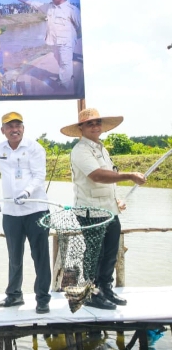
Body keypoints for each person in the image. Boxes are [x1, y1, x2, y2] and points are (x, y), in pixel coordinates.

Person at [61, 108, 146, 310]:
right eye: (89, 123)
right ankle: (91, 293)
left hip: (109, 210)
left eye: (97, 122)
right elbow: (97, 175)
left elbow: (109, 178)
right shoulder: (80, 150)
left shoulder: (102, 149)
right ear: (81, 128)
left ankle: (105, 288)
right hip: (90, 211)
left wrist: (116, 200)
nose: (95, 126)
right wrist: (130, 175)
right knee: (94, 254)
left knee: (110, 253)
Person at [0, 112, 51, 314]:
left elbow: (39, 175)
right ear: (3, 130)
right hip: (11, 212)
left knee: (40, 257)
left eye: (18, 126)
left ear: (23, 128)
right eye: (10, 126)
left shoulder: (34, 148)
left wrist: (26, 192)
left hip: (36, 210)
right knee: (14, 256)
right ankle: (14, 295)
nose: (14, 130)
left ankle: (42, 299)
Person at [15, 0, 81, 92]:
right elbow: (35, 4)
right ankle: (66, 75)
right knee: (58, 58)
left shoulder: (72, 10)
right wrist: (21, 0)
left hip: (66, 41)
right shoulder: (50, 7)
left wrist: (71, 35)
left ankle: (65, 85)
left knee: (65, 62)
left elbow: (79, 25)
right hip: (54, 40)